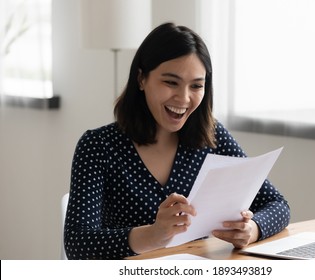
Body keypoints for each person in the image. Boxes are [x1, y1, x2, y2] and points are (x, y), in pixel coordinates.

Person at [64, 22, 290, 260]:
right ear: (141, 78)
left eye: (196, 86)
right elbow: (78, 244)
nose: (183, 98)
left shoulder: (212, 137)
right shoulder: (98, 147)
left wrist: (251, 229)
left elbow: (278, 205)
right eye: (171, 82)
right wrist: (153, 235)